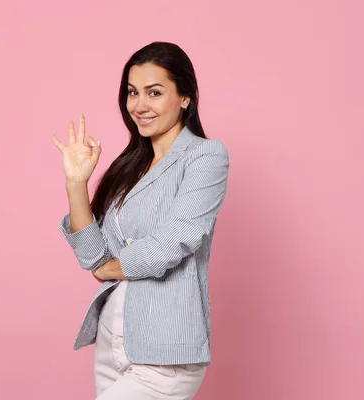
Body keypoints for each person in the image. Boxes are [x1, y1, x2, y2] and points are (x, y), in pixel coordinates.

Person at [51, 41, 230, 399]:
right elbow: (92, 257)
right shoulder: (128, 167)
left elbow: (175, 240)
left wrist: (112, 268)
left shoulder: (205, 157)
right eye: (133, 92)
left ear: (185, 97)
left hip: (165, 350)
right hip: (113, 342)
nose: (139, 105)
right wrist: (76, 183)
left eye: (154, 92)